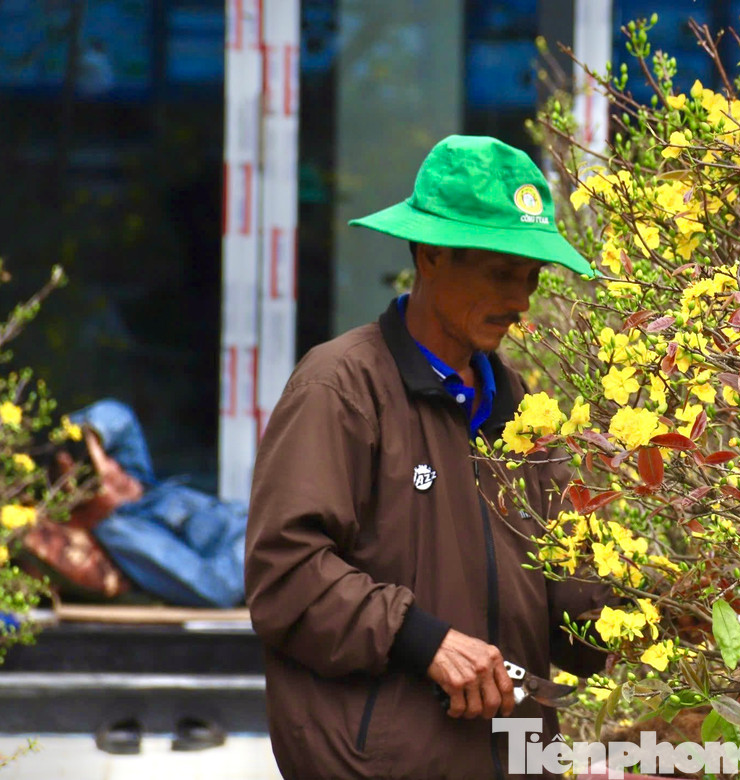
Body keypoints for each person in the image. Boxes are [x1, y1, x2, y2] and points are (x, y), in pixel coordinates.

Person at [245, 135, 613, 779]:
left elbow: (566, 600)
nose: (521, 300)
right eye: (502, 273)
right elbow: (286, 573)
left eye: (530, 277)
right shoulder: (341, 387)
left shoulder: (520, 408)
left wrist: (654, 611)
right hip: (379, 765)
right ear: (432, 255)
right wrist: (425, 639)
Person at [36, 399, 247, 609]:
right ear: (86, 508)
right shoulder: (126, 531)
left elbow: (121, 419)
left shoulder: (133, 479)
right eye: (97, 480)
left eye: (105, 458)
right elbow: (219, 588)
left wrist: (86, 434)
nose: (112, 470)